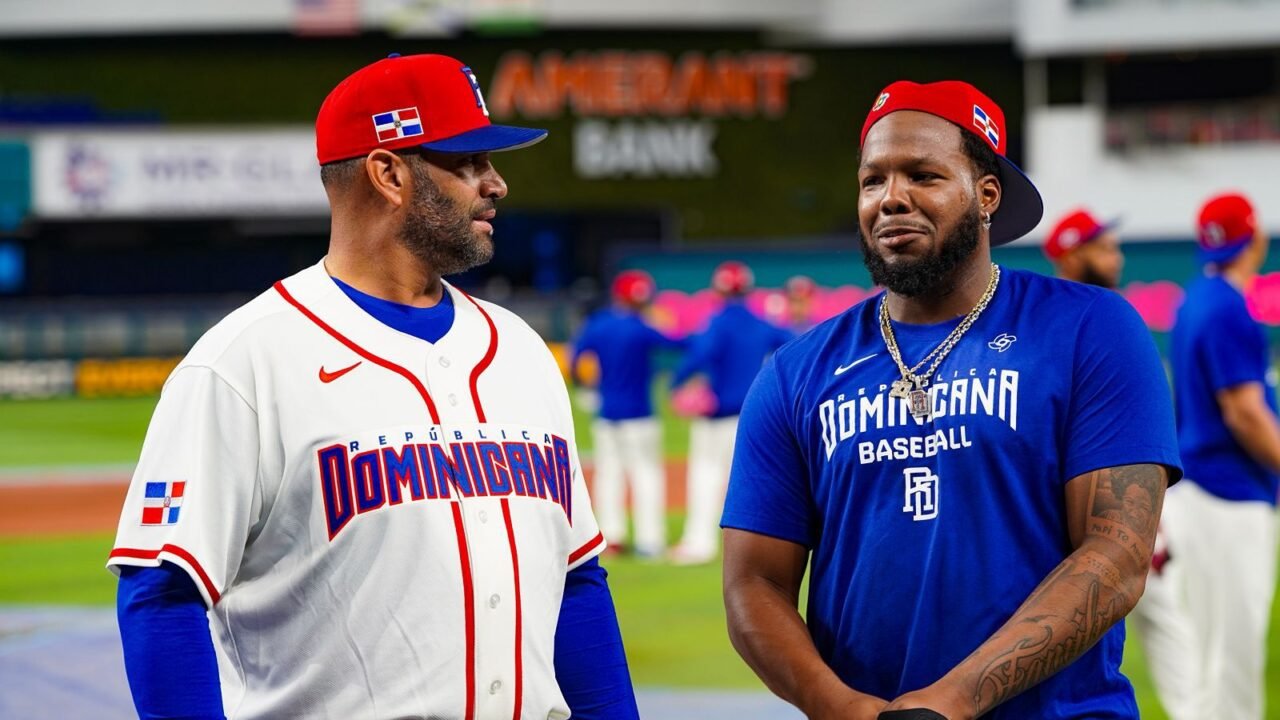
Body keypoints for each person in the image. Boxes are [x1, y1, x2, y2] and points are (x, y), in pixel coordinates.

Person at [107, 53, 639, 720]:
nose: (496, 183)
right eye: (468, 160)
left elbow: (577, 582)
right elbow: (161, 595)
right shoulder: (246, 361)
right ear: (388, 173)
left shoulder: (521, 351)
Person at [721, 80, 1181, 720]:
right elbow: (755, 581)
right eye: (872, 180)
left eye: (923, 175)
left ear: (986, 194)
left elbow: (1117, 554)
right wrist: (842, 707)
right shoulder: (796, 373)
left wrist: (954, 701)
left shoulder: (1090, 329)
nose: (892, 199)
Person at [1046, 206, 1197, 720]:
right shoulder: (1071, 321)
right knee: (1165, 624)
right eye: (1102, 247)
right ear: (1072, 254)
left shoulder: (1101, 315)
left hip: (1138, 489)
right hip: (1101, 506)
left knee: (1170, 623)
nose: (1116, 256)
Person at [1167, 191, 1280, 720]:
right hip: (1228, 495)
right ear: (1254, 239)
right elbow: (1244, 412)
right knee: (1233, 659)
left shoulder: (1196, 299)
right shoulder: (1227, 307)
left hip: (1203, 492)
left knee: (1215, 656)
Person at [668, 260, 793, 565]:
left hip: (718, 415)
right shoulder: (760, 323)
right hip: (753, 416)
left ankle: (700, 543)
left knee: (705, 475)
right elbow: (792, 343)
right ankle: (762, 547)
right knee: (753, 481)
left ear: (718, 289)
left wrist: (677, 382)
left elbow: (701, 354)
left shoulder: (718, 322)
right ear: (748, 289)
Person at [571, 269, 683, 558]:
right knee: (646, 476)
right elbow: (676, 344)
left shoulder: (598, 324)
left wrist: (585, 387)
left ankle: (612, 538)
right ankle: (650, 541)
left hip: (607, 413)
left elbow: (576, 359)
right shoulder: (641, 327)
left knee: (609, 475)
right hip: (640, 415)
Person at [1043, 208, 1124, 289]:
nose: (1118, 258)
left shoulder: (1113, 299)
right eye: (1105, 249)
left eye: (1115, 249)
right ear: (1071, 259)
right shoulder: (1052, 300)